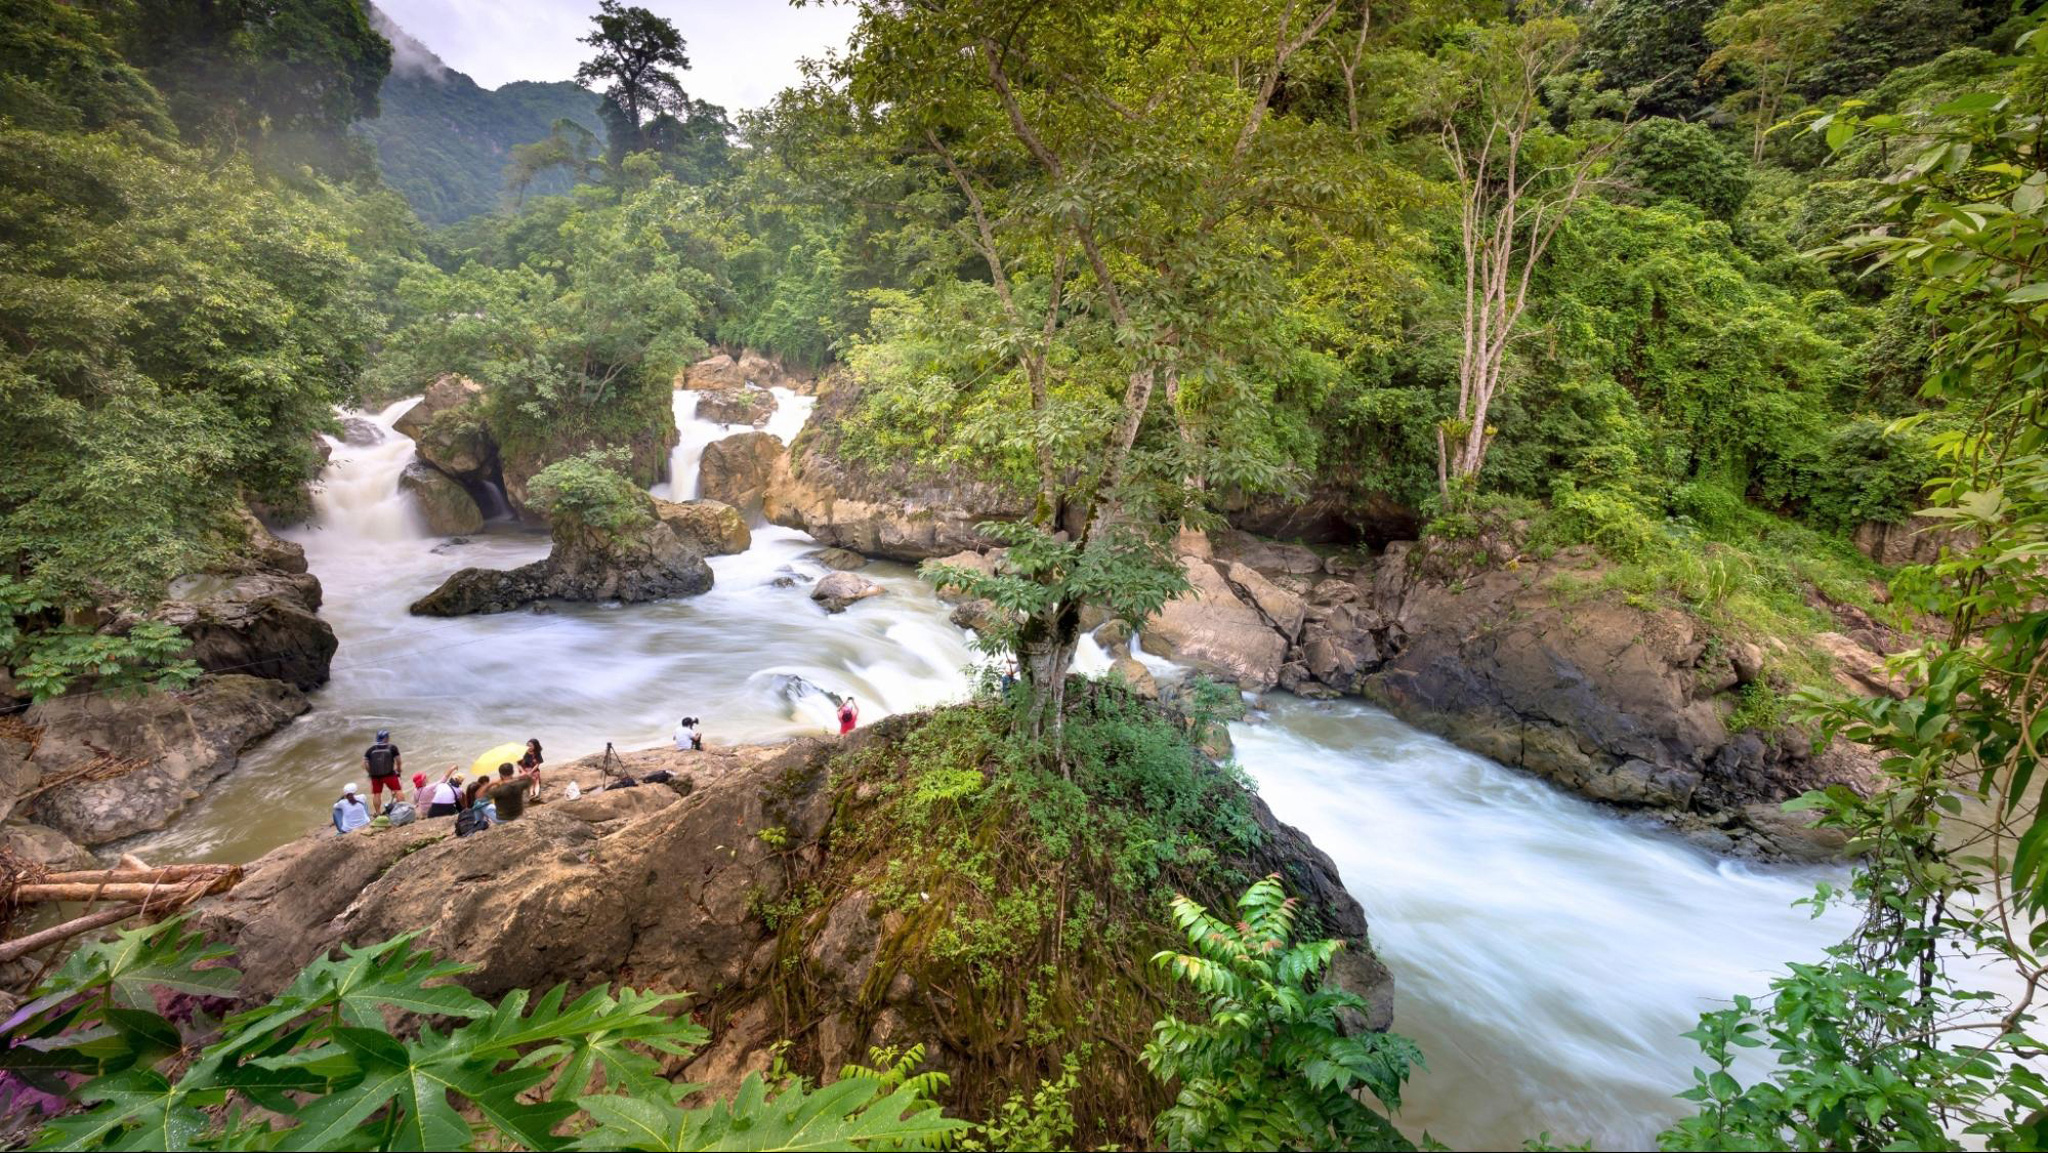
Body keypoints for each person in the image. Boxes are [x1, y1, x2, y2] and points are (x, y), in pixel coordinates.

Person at [362, 729, 402, 815]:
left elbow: (365, 764)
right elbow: (398, 760)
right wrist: (398, 769)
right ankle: (403, 809)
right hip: (390, 774)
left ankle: (378, 812)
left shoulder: (370, 749)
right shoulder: (392, 747)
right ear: (386, 738)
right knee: (397, 791)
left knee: (377, 794)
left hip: (375, 776)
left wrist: (370, 773)